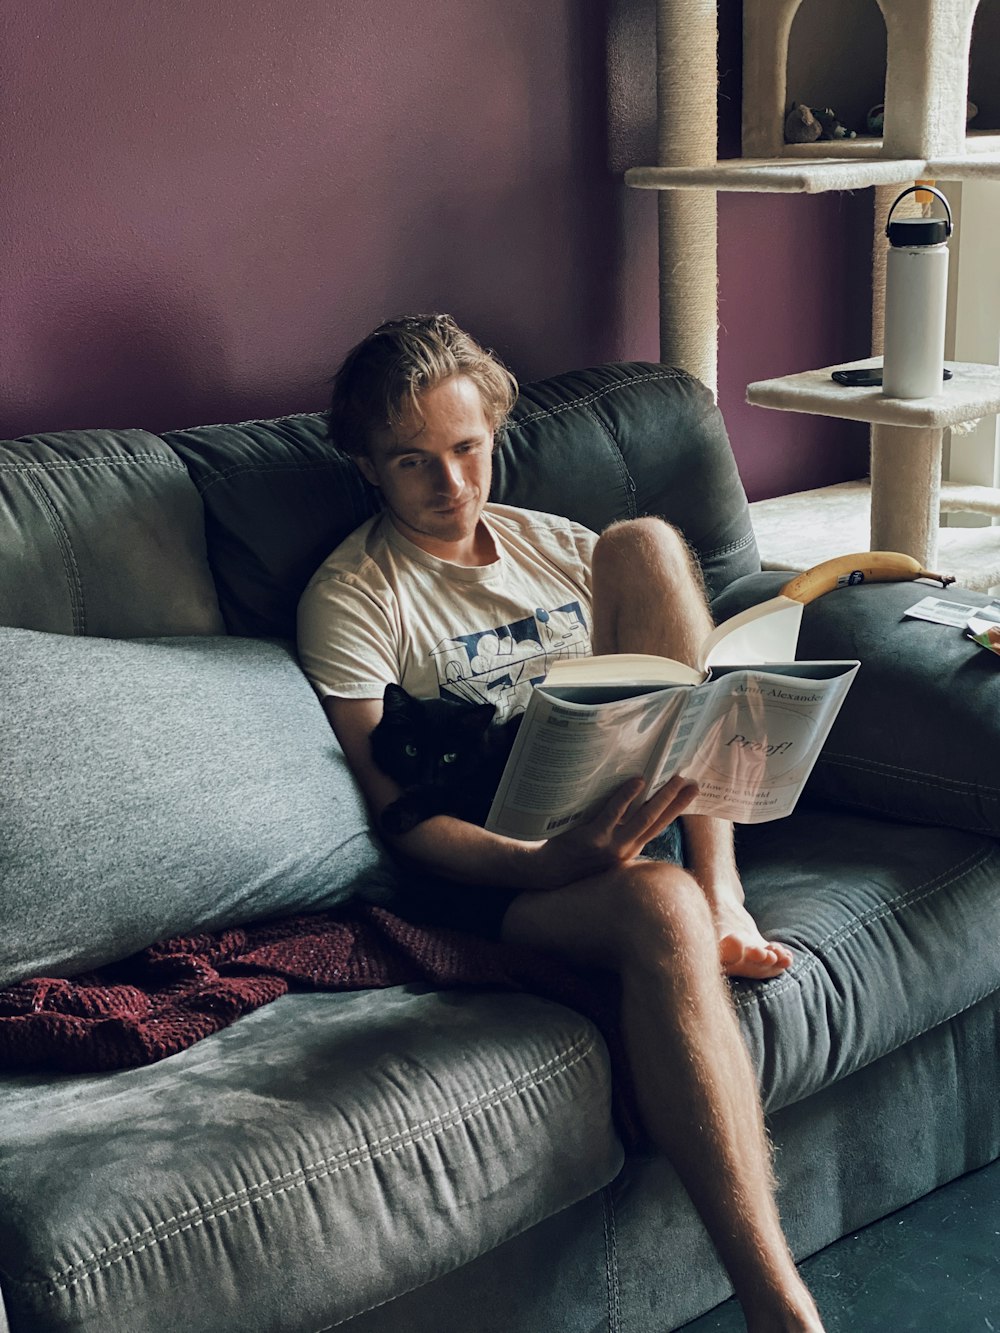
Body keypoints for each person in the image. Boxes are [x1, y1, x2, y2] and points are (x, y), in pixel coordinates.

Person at [297, 314, 825, 1333]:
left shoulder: (560, 547)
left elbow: (681, 710)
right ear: (366, 465)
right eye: (412, 462)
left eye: (465, 449)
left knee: (647, 545)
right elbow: (396, 818)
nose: (449, 484)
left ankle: (723, 887)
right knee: (658, 908)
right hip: (497, 875)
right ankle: (780, 1308)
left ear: (495, 429)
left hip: (636, 816)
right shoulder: (355, 596)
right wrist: (544, 865)